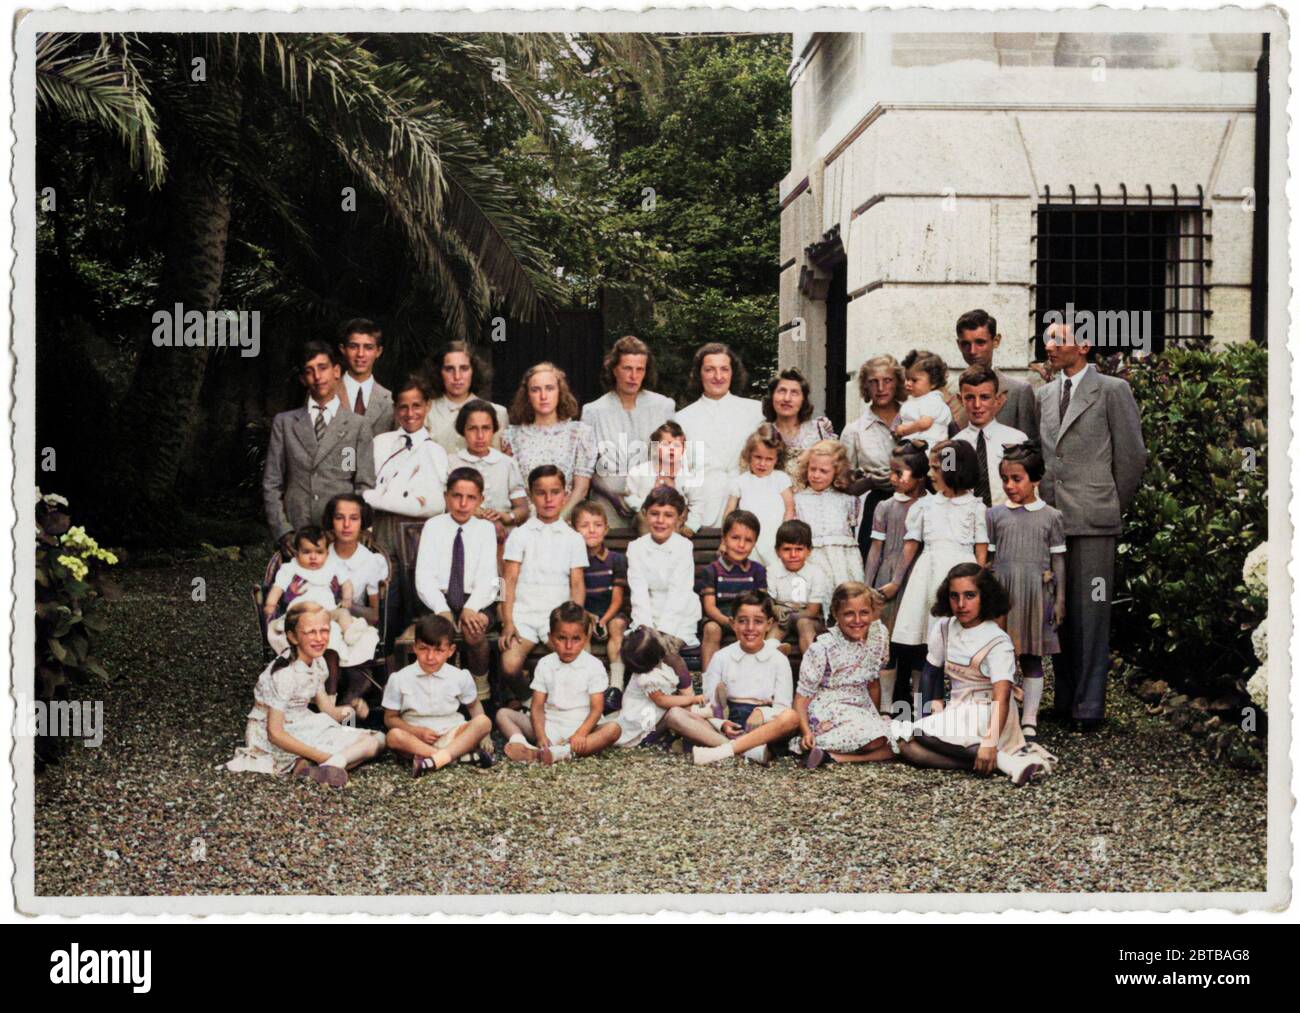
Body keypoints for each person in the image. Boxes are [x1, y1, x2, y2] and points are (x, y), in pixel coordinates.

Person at [1036, 322, 1146, 729]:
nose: (1050, 346)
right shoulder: (1044, 394)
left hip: (1094, 519)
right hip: (1053, 517)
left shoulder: (1113, 391)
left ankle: (1089, 705)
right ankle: (1064, 700)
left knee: (1092, 612)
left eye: (1058, 339)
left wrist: (1109, 504)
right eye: (1047, 338)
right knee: (1058, 612)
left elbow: (1132, 456)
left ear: (1084, 344)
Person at [892, 564, 1053, 786]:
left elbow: (1002, 697)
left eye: (970, 596)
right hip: (959, 709)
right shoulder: (944, 627)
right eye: (954, 596)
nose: (961, 604)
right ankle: (1006, 763)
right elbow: (930, 673)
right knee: (908, 748)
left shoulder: (997, 640)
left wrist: (989, 741)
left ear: (985, 597)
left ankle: (991, 753)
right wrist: (923, 713)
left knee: (918, 734)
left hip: (990, 714)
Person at [227, 601, 386, 787]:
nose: (319, 638)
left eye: (324, 631)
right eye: (311, 632)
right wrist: (323, 755)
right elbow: (274, 733)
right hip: (277, 733)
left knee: (378, 740)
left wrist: (351, 709)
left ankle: (323, 765)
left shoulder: (317, 663)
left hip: (304, 723)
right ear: (293, 637)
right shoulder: (284, 674)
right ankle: (327, 762)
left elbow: (328, 710)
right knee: (361, 748)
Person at [885, 440, 987, 715]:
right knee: (925, 645)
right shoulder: (925, 506)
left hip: (960, 576)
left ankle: (959, 708)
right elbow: (911, 544)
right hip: (928, 577)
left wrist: (978, 584)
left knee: (957, 643)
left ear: (954, 468)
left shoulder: (975, 507)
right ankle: (921, 711)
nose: (930, 473)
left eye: (935, 467)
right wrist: (896, 580)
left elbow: (981, 547)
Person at [263, 341, 376, 555]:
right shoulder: (285, 423)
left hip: (339, 534)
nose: (317, 376)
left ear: (336, 371)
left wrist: (354, 528)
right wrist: (282, 530)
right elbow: (272, 482)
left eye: (323, 368)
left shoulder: (357, 425)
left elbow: (363, 484)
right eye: (309, 371)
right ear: (303, 379)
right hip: (297, 534)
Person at [665, 592, 801, 766]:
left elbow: (782, 707)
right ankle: (750, 751)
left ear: (768, 625)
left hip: (762, 726)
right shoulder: (721, 657)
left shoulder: (778, 660)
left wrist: (762, 713)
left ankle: (722, 750)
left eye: (758, 621)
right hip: (729, 720)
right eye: (743, 621)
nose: (750, 628)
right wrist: (721, 724)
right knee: (674, 714)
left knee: (791, 717)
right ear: (733, 623)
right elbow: (710, 705)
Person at [988, 442, 1067, 739]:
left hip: (1035, 594)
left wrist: (1059, 600)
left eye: (1016, 479)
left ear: (1035, 480)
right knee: (1000, 655)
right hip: (1003, 595)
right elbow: (989, 558)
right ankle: (1002, 715)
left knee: (1032, 657)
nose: (1009, 486)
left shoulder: (1051, 516)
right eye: (1004, 479)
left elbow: (1058, 559)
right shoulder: (995, 515)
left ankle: (1030, 718)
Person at [499, 465, 589, 706]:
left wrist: (574, 621)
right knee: (509, 665)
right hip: (524, 617)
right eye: (541, 493)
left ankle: (569, 706)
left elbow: (577, 584)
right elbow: (507, 581)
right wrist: (507, 622)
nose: (549, 499)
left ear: (565, 494)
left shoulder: (573, 538)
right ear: (530, 495)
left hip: (557, 617)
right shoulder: (520, 535)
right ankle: (530, 702)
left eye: (555, 492)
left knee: (579, 659)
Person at [498, 602, 622, 764]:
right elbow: (537, 706)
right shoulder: (545, 664)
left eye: (576, 639)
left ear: (586, 638)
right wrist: (541, 735)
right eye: (561, 638)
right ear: (551, 637)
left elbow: (597, 709)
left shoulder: (593, 665)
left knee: (614, 729)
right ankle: (523, 744)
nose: (568, 646)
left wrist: (580, 734)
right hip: (551, 725)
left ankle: (561, 752)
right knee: (503, 714)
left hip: (583, 727)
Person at [414, 468, 500, 699]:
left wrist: (472, 607)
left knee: (474, 631)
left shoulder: (485, 529)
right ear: (446, 496)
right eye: (456, 496)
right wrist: (441, 609)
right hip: (438, 600)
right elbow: (424, 577)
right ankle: (439, 694)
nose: (463, 503)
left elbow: (489, 577)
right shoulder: (433, 526)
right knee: (438, 633)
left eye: (471, 497)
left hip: (475, 599)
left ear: (480, 500)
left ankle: (480, 689)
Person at [792, 582, 896, 768]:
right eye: (849, 614)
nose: (857, 620)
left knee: (897, 743)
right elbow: (802, 698)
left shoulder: (878, 635)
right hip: (830, 706)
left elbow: (873, 682)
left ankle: (833, 757)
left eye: (864, 613)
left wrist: (877, 715)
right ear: (835, 614)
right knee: (875, 739)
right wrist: (806, 730)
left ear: (873, 611)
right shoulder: (823, 647)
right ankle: (821, 745)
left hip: (860, 705)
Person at [863, 442, 930, 715]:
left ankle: (917, 709)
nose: (892, 478)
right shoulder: (884, 506)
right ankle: (887, 708)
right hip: (886, 578)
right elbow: (875, 549)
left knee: (918, 647)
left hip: (917, 578)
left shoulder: (929, 506)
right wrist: (867, 586)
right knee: (886, 644)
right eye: (891, 472)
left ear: (919, 476)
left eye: (899, 473)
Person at [382, 614, 494, 776]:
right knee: (393, 737)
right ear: (414, 647)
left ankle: (434, 759)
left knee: (484, 722)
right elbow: (390, 718)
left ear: (450, 651)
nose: (430, 657)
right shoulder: (400, 679)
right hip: (417, 739)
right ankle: (454, 757)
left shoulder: (459, 676)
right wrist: (416, 732)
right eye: (423, 649)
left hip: (452, 733)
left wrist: (485, 737)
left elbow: (474, 705)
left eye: (439, 651)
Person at [583, 335, 677, 523]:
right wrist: (613, 497)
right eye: (627, 368)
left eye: (639, 369)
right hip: (608, 504)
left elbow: (675, 457)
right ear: (614, 369)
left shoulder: (663, 406)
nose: (633, 376)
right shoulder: (593, 411)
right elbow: (586, 469)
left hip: (654, 503)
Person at [671, 342, 765, 529]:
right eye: (710, 370)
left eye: (724, 369)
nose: (718, 376)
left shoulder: (756, 412)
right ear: (699, 373)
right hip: (702, 513)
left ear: (733, 373)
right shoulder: (681, 419)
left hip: (750, 507)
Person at [263, 525, 379, 669]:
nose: (313, 557)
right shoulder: (290, 568)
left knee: (342, 613)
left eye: (319, 552)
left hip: (327, 612)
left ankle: (350, 632)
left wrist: (347, 599)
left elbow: (346, 583)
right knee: (311, 625)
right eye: (306, 552)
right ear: (297, 553)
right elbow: (277, 588)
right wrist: (271, 604)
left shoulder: (332, 566)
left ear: (326, 553)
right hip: (301, 612)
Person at [364, 375, 449, 556]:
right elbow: (365, 482)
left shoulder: (436, 450)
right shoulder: (380, 443)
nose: (410, 414)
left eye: (416, 406)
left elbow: (435, 505)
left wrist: (372, 497)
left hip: (418, 535)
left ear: (428, 406)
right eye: (403, 407)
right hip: (380, 531)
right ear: (395, 409)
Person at [502, 362, 597, 517]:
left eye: (549, 388)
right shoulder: (512, 436)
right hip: (526, 521)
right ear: (527, 395)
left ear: (560, 392)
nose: (543, 396)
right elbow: (513, 489)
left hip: (565, 521)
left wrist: (557, 521)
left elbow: (581, 489)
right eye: (535, 390)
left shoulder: (579, 433)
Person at [626, 486, 702, 681]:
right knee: (641, 649)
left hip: (680, 617)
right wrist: (647, 629)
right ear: (645, 514)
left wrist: (664, 631)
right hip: (648, 614)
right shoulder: (636, 548)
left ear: (679, 518)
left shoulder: (684, 547)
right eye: (654, 514)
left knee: (665, 651)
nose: (660, 521)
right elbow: (639, 592)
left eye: (668, 515)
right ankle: (646, 697)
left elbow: (680, 593)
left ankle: (688, 691)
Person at [323, 493, 389, 716]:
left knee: (360, 639)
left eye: (354, 518)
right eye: (340, 518)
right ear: (331, 521)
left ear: (363, 523)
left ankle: (351, 700)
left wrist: (348, 606)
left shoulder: (370, 561)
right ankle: (329, 700)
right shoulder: (320, 554)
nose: (346, 525)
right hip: (320, 620)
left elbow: (375, 615)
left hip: (353, 623)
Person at [609, 627, 708, 749]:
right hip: (644, 719)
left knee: (675, 711)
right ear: (658, 652)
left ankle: (701, 717)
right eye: (658, 636)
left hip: (653, 711)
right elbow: (662, 700)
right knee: (669, 716)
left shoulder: (658, 667)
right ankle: (648, 739)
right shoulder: (647, 679)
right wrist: (691, 699)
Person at [841, 355, 905, 546]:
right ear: (865, 387)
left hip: (917, 507)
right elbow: (844, 486)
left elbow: (942, 465)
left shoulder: (914, 420)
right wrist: (870, 482)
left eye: (887, 380)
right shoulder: (854, 431)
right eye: (873, 382)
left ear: (898, 383)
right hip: (876, 510)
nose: (881, 388)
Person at [451, 399, 529, 549]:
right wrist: (483, 516)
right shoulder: (452, 463)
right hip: (465, 536)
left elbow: (522, 508)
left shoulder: (506, 463)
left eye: (486, 428)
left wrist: (507, 516)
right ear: (462, 430)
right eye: (472, 429)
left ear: (494, 429)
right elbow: (448, 504)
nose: (480, 435)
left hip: (504, 537)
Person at [696, 509, 767, 671]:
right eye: (735, 538)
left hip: (749, 617)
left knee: (761, 629)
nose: (741, 545)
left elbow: (762, 603)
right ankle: (710, 680)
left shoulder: (757, 570)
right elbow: (710, 608)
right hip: (720, 618)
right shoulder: (711, 570)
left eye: (748, 540)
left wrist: (746, 622)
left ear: (755, 543)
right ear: (724, 539)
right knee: (711, 629)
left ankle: (758, 676)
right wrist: (731, 623)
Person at [571, 500, 630, 689]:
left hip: (611, 611)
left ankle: (616, 684)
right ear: (574, 530)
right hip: (587, 612)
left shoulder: (616, 560)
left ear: (606, 529)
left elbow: (618, 599)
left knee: (617, 626)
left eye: (597, 525)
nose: (592, 530)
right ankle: (588, 682)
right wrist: (590, 617)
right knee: (582, 629)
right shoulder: (574, 560)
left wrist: (604, 620)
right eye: (585, 526)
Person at [954, 308, 1038, 439]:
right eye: (966, 344)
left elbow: (1031, 450)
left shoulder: (1018, 391)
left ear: (996, 341)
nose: (972, 351)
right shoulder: (948, 394)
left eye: (980, 342)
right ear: (959, 345)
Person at [953, 364, 1028, 509]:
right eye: (969, 398)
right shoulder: (951, 446)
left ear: (998, 399)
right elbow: (946, 488)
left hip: (1008, 518)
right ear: (959, 399)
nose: (977, 405)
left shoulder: (1018, 440)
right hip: (966, 522)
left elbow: (1030, 488)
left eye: (985, 397)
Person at [723, 424, 795, 569]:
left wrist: (784, 535)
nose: (762, 463)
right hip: (750, 538)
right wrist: (724, 540)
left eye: (769, 459)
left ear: (777, 459)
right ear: (749, 455)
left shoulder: (781, 479)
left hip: (775, 536)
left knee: (776, 571)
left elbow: (789, 508)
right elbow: (729, 511)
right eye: (758, 457)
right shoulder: (740, 481)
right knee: (752, 570)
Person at [793, 439, 863, 587]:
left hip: (842, 562)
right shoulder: (798, 500)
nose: (816, 475)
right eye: (813, 469)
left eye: (823, 471)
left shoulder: (847, 501)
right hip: (812, 560)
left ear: (837, 472)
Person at [623, 419, 708, 535]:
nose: (672, 449)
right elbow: (629, 496)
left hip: (676, 524)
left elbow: (698, 504)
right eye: (666, 445)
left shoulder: (689, 477)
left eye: (677, 445)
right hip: (646, 522)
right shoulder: (639, 472)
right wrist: (645, 507)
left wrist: (691, 526)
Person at [424, 340, 509, 453]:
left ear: (474, 371)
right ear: (439, 372)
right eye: (449, 369)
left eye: (464, 368)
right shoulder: (425, 413)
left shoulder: (498, 413)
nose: (457, 376)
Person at [765, 519, 831, 656]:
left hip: (808, 618)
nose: (793, 555)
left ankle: (812, 663)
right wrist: (775, 608)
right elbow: (770, 601)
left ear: (809, 551)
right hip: (781, 616)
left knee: (804, 624)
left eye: (799, 549)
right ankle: (771, 653)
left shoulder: (816, 573)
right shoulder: (772, 571)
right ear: (777, 551)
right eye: (787, 549)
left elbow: (812, 611)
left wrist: (789, 613)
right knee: (777, 626)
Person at [763, 367, 836, 474]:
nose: (787, 398)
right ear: (772, 396)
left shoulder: (818, 431)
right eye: (782, 391)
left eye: (794, 393)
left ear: (803, 400)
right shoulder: (763, 433)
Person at [338, 318, 393, 434]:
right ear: (343, 349)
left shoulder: (389, 400)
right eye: (353, 346)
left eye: (368, 347)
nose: (360, 354)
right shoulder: (326, 392)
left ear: (378, 351)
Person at [894, 350, 952, 449]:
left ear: (933, 383)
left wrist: (904, 430)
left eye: (914, 380)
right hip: (913, 441)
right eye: (907, 379)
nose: (908, 383)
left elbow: (925, 423)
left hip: (931, 444)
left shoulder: (932, 399)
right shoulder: (913, 399)